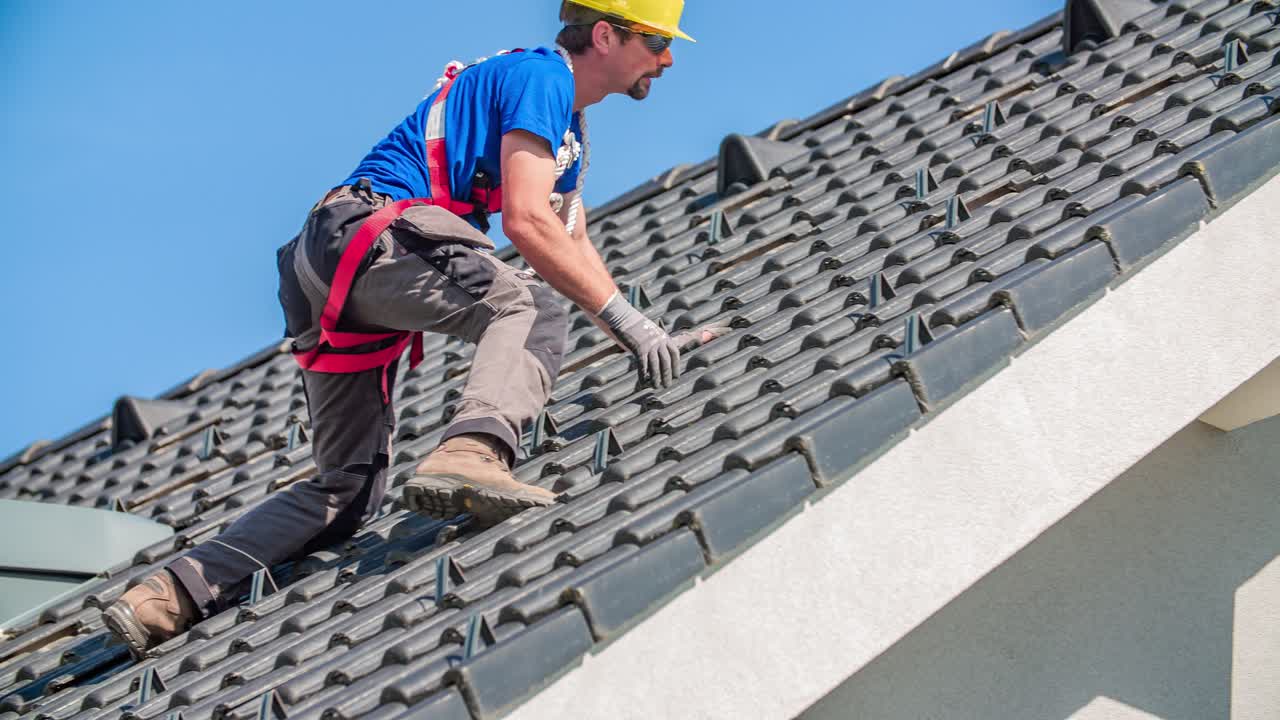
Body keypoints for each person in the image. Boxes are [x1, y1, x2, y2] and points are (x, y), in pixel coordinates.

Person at [103, 0, 720, 660]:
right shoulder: (545, 78)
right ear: (606, 34)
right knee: (530, 307)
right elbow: (526, 224)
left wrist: (642, 333)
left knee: (347, 491)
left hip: (331, 267)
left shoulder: (567, 135)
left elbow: (569, 238)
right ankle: (473, 452)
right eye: (657, 40)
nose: (669, 58)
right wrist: (629, 322)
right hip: (373, 232)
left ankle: (165, 596)